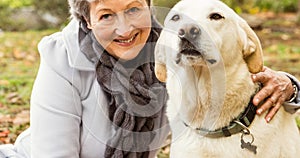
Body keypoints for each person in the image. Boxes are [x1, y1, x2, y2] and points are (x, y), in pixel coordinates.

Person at [0, 0, 299, 157]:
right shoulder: (61, 57)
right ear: (87, 21)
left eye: (133, 9)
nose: (124, 29)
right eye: (105, 15)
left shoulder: (169, 45)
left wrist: (290, 84)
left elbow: (232, 69)